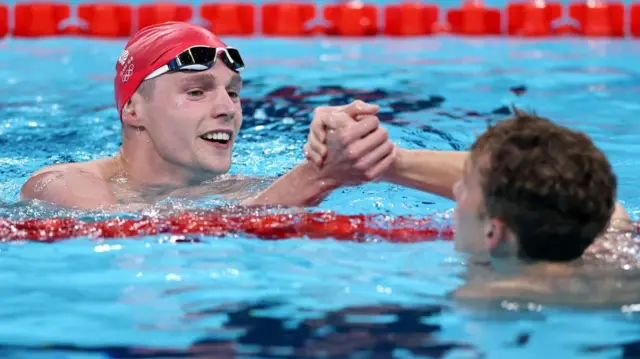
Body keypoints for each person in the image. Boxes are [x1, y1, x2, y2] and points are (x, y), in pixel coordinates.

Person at [19, 22, 396, 210]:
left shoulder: (235, 190)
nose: (227, 108)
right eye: (196, 92)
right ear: (133, 109)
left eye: (233, 92)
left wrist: (344, 157)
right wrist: (311, 180)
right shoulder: (58, 186)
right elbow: (140, 234)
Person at [305, 106, 639, 307]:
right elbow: (580, 187)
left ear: (493, 231)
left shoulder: (489, 297)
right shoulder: (608, 232)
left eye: (464, 189)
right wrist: (383, 159)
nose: (453, 188)